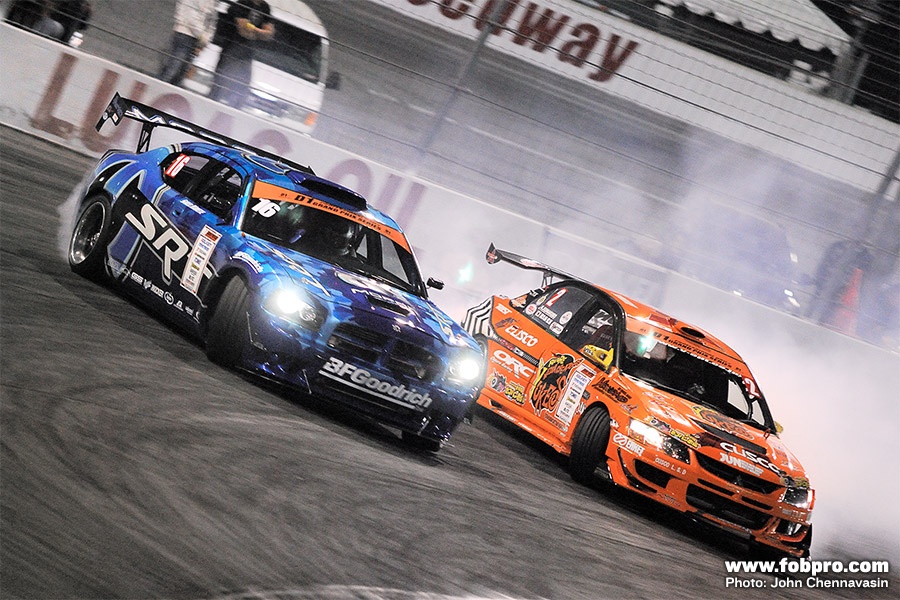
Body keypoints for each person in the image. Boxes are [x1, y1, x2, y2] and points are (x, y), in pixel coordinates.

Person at [210, 0, 274, 108]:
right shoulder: (243, 2)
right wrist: (260, 32)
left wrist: (253, 29)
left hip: (247, 55)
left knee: (241, 91)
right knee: (220, 86)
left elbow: (269, 34)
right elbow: (243, 30)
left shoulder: (265, 7)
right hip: (231, 51)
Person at [158, 0, 216, 86]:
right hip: (185, 34)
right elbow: (191, 18)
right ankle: (159, 86)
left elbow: (212, 21)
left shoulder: (211, 2)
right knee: (173, 70)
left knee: (180, 72)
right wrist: (203, 37)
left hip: (193, 37)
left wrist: (204, 39)